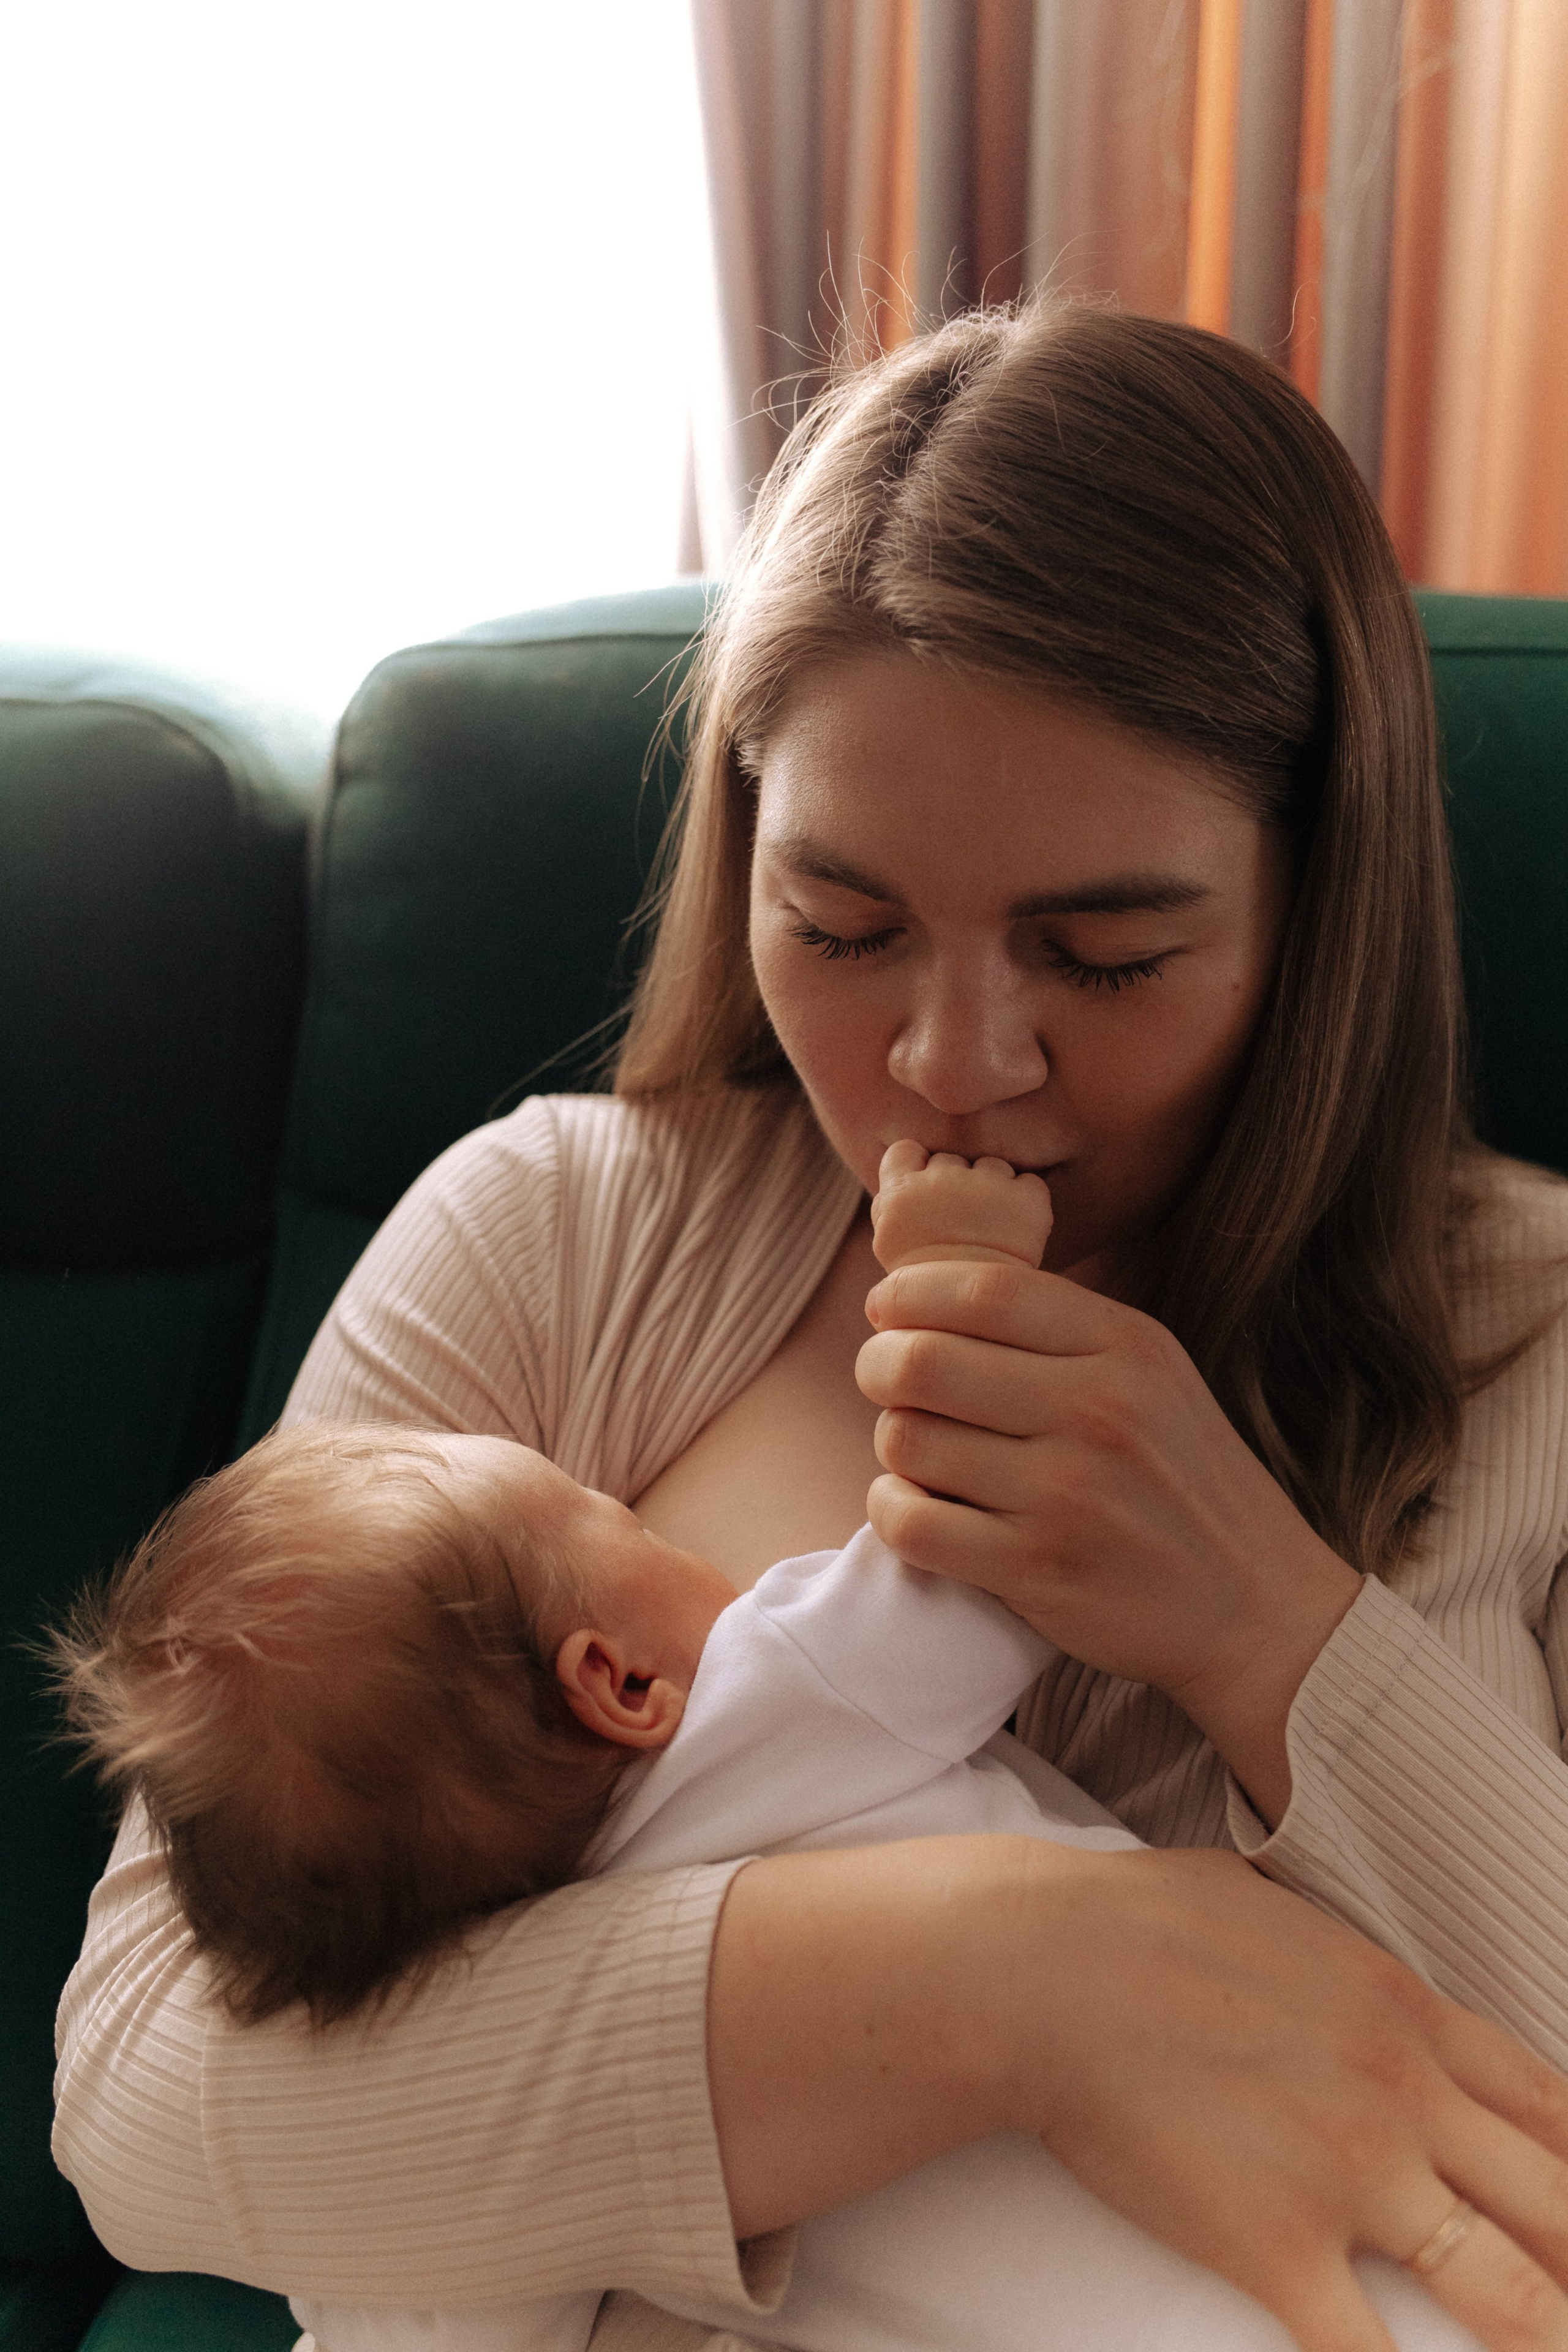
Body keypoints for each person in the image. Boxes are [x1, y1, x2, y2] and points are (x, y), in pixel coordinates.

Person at [53, 303, 1568, 2352]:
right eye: (842, 927)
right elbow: (148, 2099)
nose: (953, 1064)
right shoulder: (559, 1236)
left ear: (1318, 909)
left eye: (1104, 955)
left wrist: (1264, 1625)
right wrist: (1020, 1980)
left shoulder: (1538, 1338)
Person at [57, 1150, 1485, 2352]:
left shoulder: (454, 2116)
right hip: (1260, 2248)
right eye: (615, 1519)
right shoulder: (765, 1697)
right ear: (617, 1683)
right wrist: (970, 1287)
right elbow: (990, 1549)